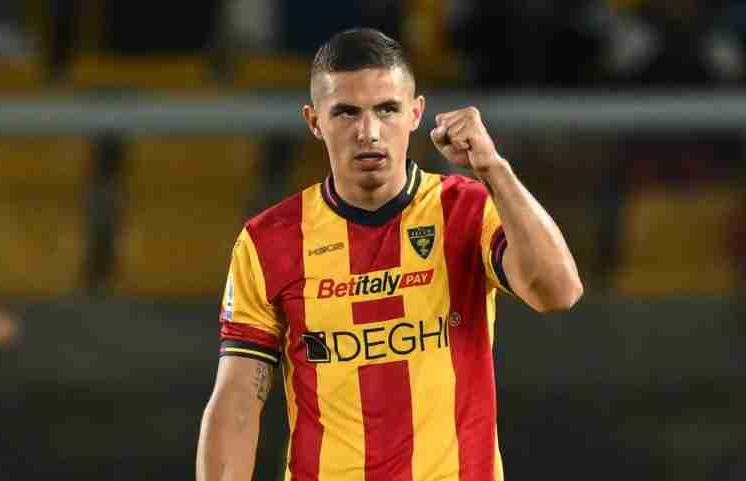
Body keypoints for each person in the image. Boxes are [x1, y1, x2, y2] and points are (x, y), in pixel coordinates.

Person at [196, 28, 583, 481]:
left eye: (386, 109)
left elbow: (559, 292)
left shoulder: (468, 210)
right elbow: (238, 399)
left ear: (415, 113)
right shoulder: (268, 241)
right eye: (346, 112)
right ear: (314, 121)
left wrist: (494, 169)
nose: (368, 131)